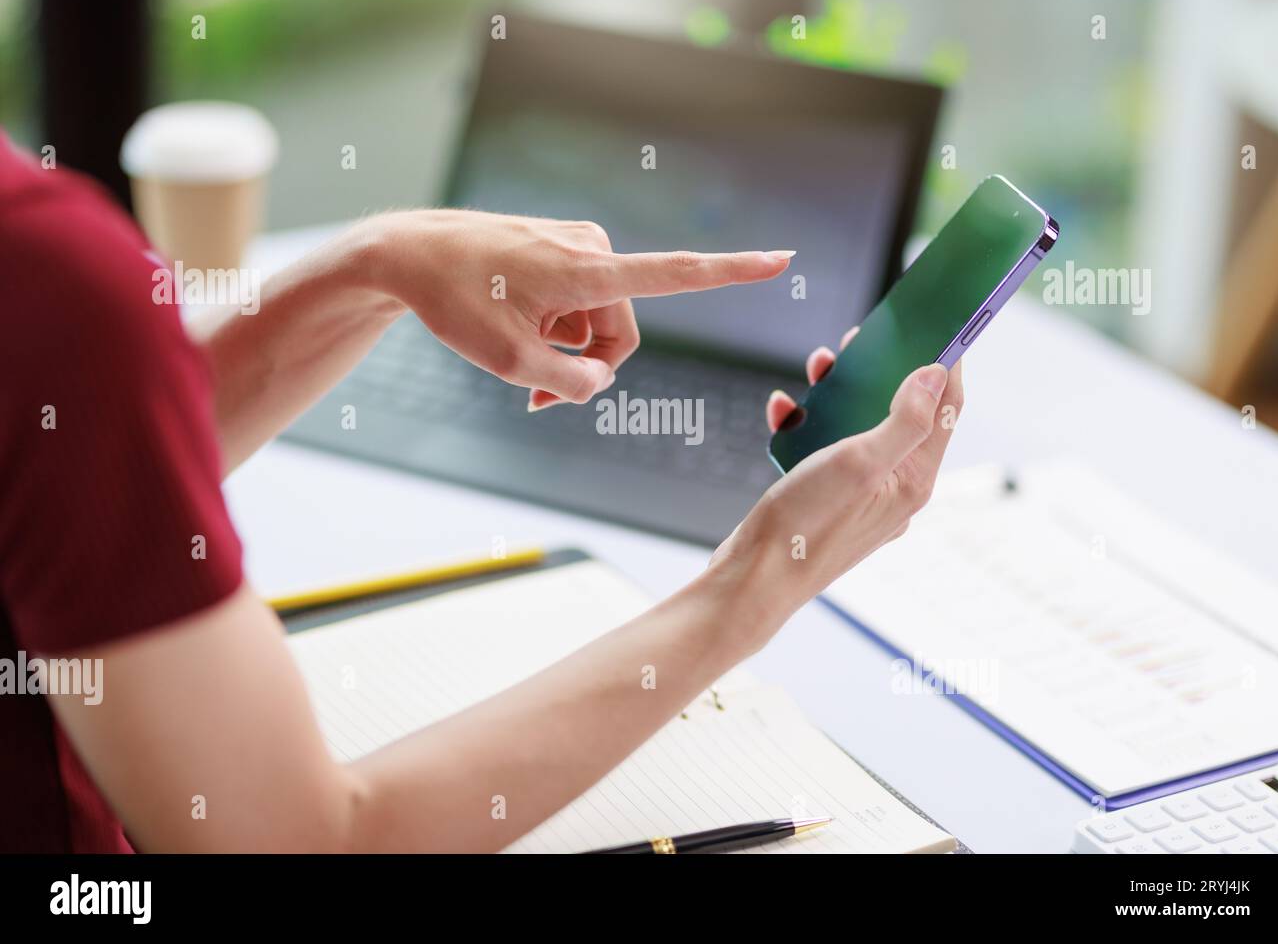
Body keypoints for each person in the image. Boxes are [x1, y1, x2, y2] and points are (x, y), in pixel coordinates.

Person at [0, 132, 961, 852]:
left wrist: (378, 261)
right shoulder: (55, 273)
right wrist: (753, 585)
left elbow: (74, 461)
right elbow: (305, 840)